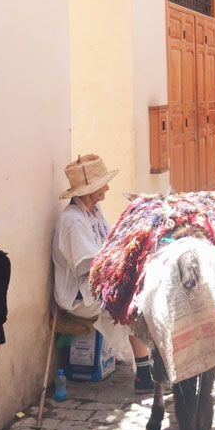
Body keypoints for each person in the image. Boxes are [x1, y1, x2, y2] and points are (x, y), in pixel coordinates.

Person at [52, 154, 153, 391]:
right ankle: (146, 374)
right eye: (102, 184)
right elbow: (92, 267)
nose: (107, 187)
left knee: (144, 291)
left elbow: (109, 244)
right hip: (79, 296)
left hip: (95, 285)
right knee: (133, 303)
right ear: (89, 190)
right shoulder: (73, 221)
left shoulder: (93, 212)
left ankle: (148, 369)